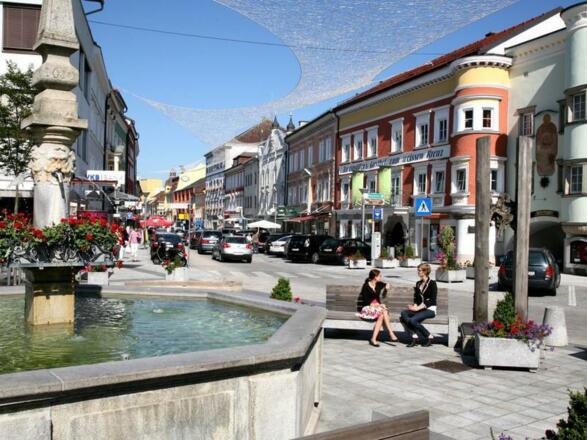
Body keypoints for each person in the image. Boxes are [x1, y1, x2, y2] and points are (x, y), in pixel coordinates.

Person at [357, 269, 398, 347]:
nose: (380, 277)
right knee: (383, 311)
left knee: (382, 314)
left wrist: (387, 286)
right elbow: (366, 301)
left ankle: (374, 339)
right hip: (367, 309)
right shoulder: (366, 286)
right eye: (379, 276)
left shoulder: (379, 284)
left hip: (377, 309)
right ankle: (391, 333)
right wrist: (379, 305)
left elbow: (386, 284)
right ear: (375, 277)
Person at [400, 263, 437, 347]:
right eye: (418, 270)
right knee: (403, 313)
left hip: (430, 309)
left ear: (425, 271)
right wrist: (414, 306)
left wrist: (417, 308)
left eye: (419, 270)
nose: (418, 272)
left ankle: (428, 336)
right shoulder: (418, 283)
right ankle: (414, 335)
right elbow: (416, 298)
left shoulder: (432, 283)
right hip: (420, 309)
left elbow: (432, 300)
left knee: (412, 320)